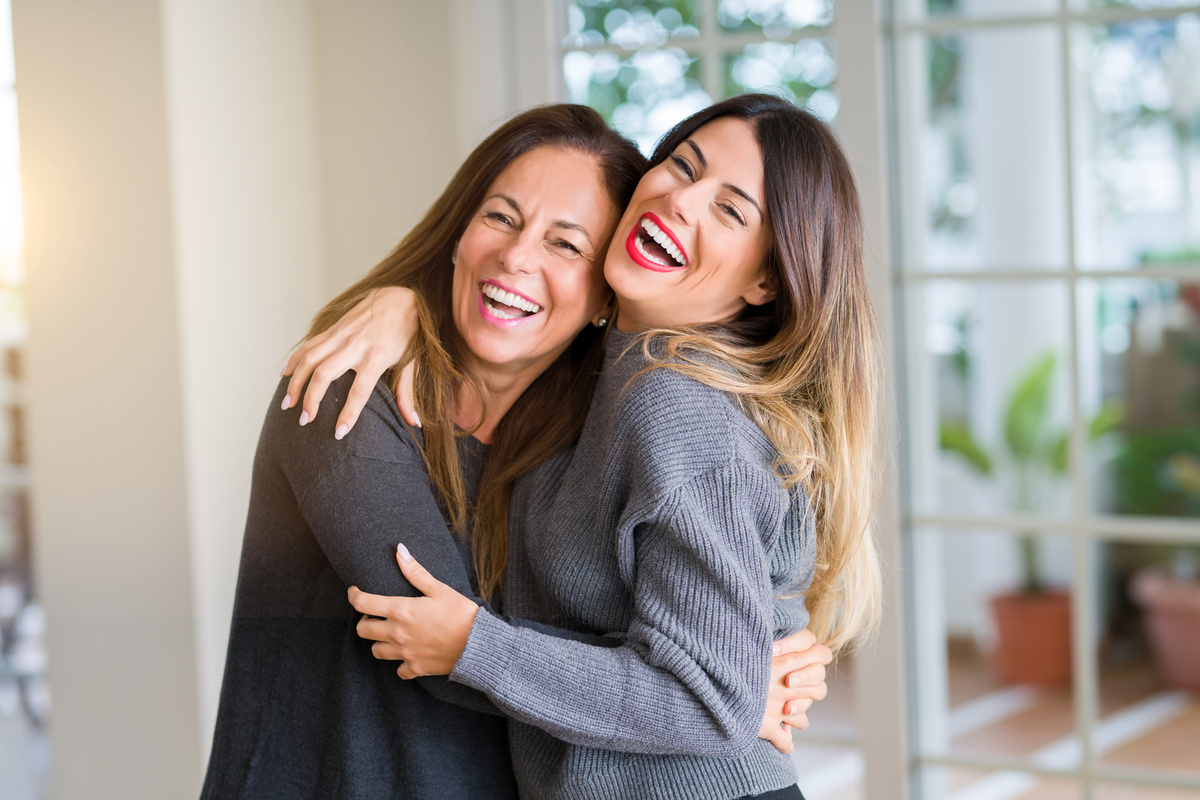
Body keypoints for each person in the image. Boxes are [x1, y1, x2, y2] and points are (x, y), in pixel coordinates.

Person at [203, 103, 828, 800]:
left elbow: (497, 637)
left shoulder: (606, 426)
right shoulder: (351, 386)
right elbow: (432, 633)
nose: (517, 256)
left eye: (567, 244)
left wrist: (714, 686)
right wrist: (711, 692)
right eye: (499, 218)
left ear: (602, 285)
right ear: (459, 233)